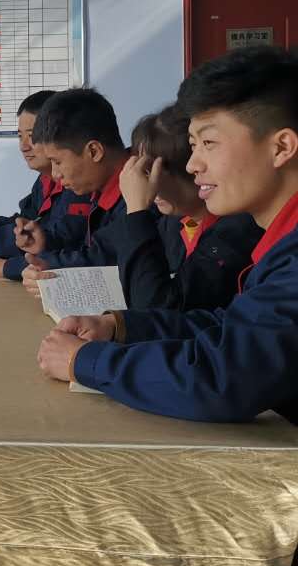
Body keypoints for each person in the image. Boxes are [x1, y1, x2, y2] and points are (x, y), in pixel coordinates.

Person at [37, 46, 298, 422]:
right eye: (192, 146)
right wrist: (119, 327)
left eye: (209, 143)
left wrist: (85, 361)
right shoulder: (279, 242)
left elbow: (221, 378)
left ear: (281, 147)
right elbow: (231, 328)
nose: (193, 164)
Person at [115, 105, 258, 310]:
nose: (146, 185)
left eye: (151, 171)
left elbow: (157, 309)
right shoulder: (173, 222)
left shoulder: (236, 232)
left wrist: (137, 210)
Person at [0, 89, 92, 280]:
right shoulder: (45, 180)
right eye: (20, 136)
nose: (23, 146)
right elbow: (25, 223)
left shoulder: (78, 184)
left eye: (32, 136)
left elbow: (61, 242)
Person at [13, 87, 134, 291]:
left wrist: (47, 264)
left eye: (58, 162)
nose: (55, 174)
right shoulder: (99, 188)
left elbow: (105, 258)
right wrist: (46, 244)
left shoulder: (140, 195)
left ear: (94, 151)